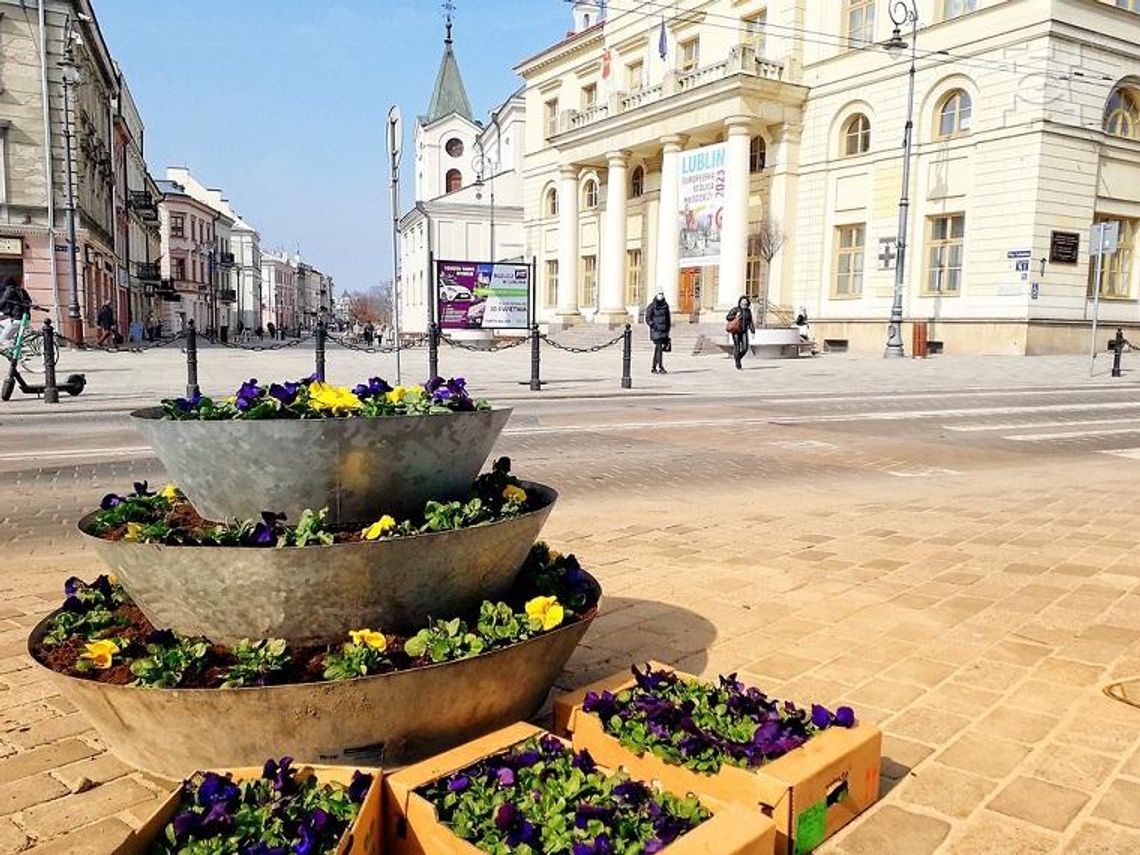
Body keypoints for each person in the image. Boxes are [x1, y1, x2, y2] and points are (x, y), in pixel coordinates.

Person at [0, 277, 32, 348]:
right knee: (3, 324)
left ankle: (17, 355)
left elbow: (3, 302)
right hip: (26, 318)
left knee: (3, 339)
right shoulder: (22, 290)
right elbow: (29, 302)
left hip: (18, 319)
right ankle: (13, 341)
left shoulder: (10, 290)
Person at [725, 295, 756, 370]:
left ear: (747, 304)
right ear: (740, 303)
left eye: (745, 303)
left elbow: (750, 321)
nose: (744, 305)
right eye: (742, 303)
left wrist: (752, 330)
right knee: (737, 347)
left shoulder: (748, 311)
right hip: (736, 331)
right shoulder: (735, 310)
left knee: (745, 347)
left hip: (744, 331)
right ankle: (738, 363)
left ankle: (737, 358)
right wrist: (735, 316)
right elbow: (728, 317)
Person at [645, 290, 672, 374]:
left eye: (661, 294)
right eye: (659, 294)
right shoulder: (652, 306)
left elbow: (668, 319)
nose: (660, 296)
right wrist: (652, 324)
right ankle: (660, 366)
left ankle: (654, 367)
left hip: (663, 330)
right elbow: (648, 318)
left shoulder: (665, 306)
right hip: (656, 330)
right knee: (659, 348)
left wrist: (668, 330)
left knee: (658, 349)